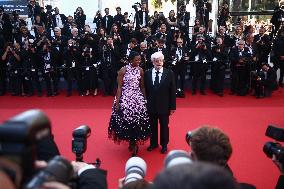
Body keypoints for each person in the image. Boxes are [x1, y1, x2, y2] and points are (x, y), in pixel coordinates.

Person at [108, 51, 151, 156]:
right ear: (131, 60)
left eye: (140, 59)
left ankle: (134, 143)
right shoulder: (123, 70)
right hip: (126, 96)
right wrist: (117, 102)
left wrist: (145, 99)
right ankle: (131, 140)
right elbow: (119, 87)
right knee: (126, 119)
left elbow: (142, 87)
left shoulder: (141, 70)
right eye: (137, 60)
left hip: (137, 97)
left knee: (138, 120)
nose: (139, 61)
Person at [144, 52, 176, 154]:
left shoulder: (169, 73)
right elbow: (145, 90)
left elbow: (172, 91)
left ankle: (164, 145)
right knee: (152, 126)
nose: (159, 63)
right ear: (153, 62)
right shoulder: (147, 73)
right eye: (156, 61)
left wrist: (172, 107)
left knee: (164, 126)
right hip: (151, 106)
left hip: (164, 106)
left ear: (163, 61)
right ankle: (153, 144)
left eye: (161, 61)